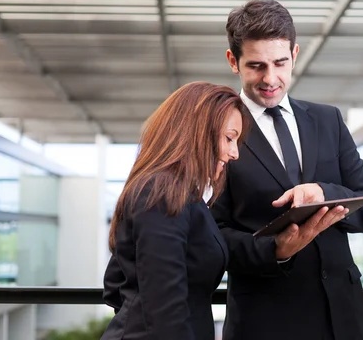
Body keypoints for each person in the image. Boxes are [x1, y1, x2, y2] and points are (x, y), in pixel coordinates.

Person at [211, 0, 363, 340]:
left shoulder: (327, 120)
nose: (271, 78)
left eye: (280, 62)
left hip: (342, 317)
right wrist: (275, 250)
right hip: (265, 320)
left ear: (295, 53)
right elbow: (212, 234)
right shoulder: (218, 131)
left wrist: (323, 193)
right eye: (256, 66)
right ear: (233, 61)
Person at [101, 81, 251, 340]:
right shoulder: (162, 193)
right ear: (196, 132)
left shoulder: (176, 193)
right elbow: (165, 309)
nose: (235, 153)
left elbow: (115, 284)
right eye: (229, 138)